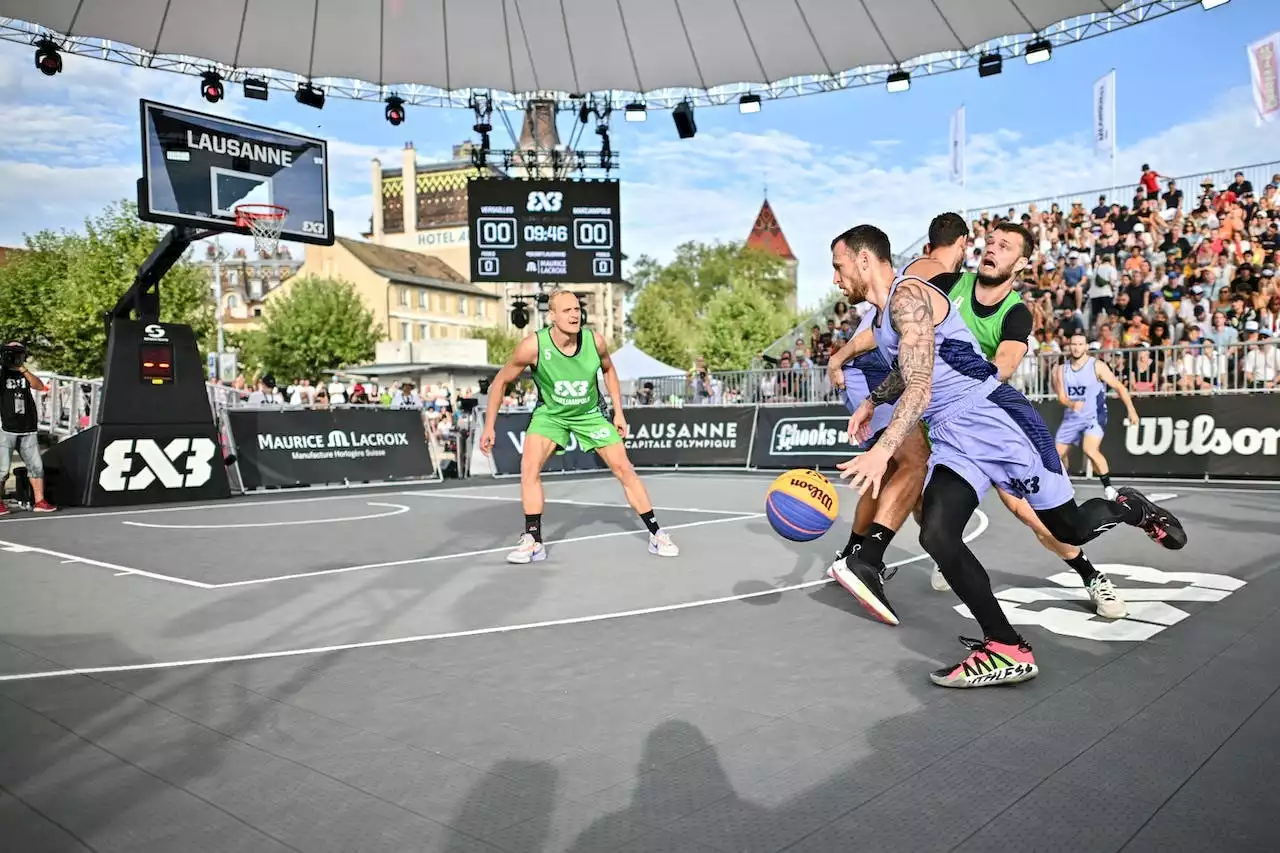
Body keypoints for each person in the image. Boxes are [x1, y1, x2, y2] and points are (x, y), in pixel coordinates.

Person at [831, 224, 1184, 688]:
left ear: (863, 259)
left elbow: (920, 385)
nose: (836, 278)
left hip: (998, 422)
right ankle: (1006, 646)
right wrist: (874, 400)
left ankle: (1129, 508)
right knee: (937, 533)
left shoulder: (906, 296)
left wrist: (884, 449)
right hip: (956, 437)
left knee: (1067, 528)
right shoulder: (883, 317)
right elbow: (910, 366)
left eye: (838, 266)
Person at [918, 215, 1129, 619]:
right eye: (991, 241)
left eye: (1005, 246)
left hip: (993, 422)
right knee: (922, 495)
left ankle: (1091, 575)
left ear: (1020, 264)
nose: (993, 248)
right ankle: (937, 553)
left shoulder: (1016, 313)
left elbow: (1005, 364)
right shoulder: (948, 287)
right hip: (945, 422)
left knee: (1033, 517)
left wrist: (951, 366)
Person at [479, 289, 678, 563]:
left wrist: (619, 413)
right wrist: (489, 426)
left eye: (577, 309)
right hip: (551, 415)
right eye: (567, 310)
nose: (574, 315)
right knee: (529, 467)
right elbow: (501, 382)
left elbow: (608, 369)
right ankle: (533, 540)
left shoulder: (594, 341)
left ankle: (657, 533)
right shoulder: (533, 346)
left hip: (589, 414)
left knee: (624, 468)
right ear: (551, 316)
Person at [1054, 333, 1138, 502]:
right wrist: (1072, 404)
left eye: (1080, 344)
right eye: (1074, 344)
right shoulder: (1061, 370)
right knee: (1056, 455)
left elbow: (1118, 386)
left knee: (1090, 449)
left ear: (1086, 347)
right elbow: (1061, 397)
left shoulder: (1096, 366)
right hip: (1072, 417)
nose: (1077, 347)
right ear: (1069, 346)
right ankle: (1065, 483)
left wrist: (1131, 409)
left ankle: (1108, 489)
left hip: (1094, 416)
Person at [0, 342, 56, 513]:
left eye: (19, 353)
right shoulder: (2, 373)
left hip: (27, 427)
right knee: (2, 469)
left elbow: (39, 386)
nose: (16, 357)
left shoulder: (24, 373)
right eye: (12, 353)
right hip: (5, 427)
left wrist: (22, 368)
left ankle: (40, 501)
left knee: (36, 466)